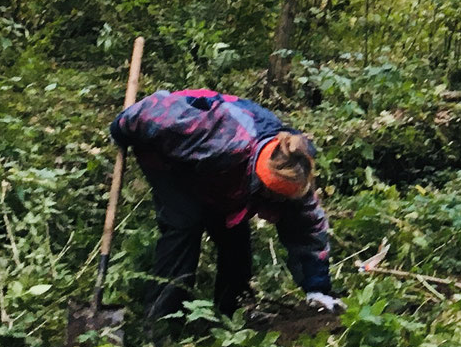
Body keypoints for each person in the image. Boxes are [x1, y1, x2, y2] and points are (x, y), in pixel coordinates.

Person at [111, 88, 340, 329]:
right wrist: (122, 127)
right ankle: (161, 322)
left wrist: (317, 289)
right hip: (171, 161)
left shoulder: (295, 177)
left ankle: (233, 314)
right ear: (260, 179)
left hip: (224, 177)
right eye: (271, 196)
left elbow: (308, 232)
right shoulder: (215, 135)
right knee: (184, 223)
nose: (275, 205)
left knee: (235, 234)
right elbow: (150, 112)